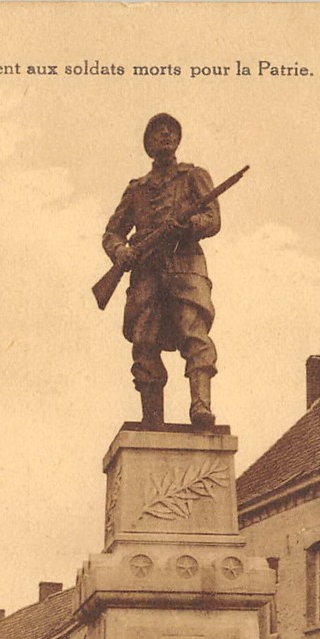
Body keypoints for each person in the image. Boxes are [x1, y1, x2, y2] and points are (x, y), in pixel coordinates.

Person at [102, 114, 220, 430]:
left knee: (194, 335)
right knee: (144, 341)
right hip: (146, 272)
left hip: (185, 267)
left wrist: (188, 225)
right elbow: (112, 232)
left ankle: (201, 407)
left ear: (178, 139)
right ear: (148, 144)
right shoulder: (136, 189)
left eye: (171, 131)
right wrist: (121, 251)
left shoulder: (194, 176)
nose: (165, 134)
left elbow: (213, 219)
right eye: (157, 131)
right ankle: (152, 416)